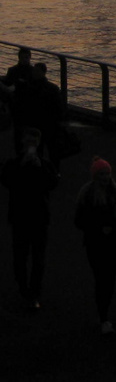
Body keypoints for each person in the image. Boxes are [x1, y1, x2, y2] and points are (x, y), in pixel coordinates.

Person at [1, 127, 59, 311]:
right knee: (20, 257)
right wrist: (23, 165)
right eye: (28, 143)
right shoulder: (13, 163)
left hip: (38, 217)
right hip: (20, 216)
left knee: (38, 259)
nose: (30, 146)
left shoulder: (44, 164)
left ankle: (33, 293)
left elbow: (52, 184)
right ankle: (24, 288)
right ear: (22, 143)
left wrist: (39, 167)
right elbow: (6, 180)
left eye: (33, 143)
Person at [74, 157, 116, 335]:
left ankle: (103, 311)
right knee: (102, 278)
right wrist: (98, 228)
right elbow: (79, 220)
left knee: (108, 279)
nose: (105, 177)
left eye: (107, 174)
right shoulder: (88, 194)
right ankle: (103, 315)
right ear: (95, 175)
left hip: (113, 243)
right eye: (102, 174)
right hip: (95, 243)